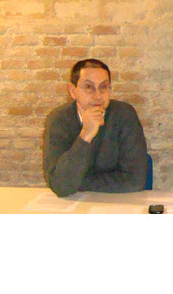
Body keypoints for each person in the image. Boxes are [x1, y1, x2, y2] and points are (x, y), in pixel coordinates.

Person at [43, 58, 148, 197]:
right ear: (73, 91)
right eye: (88, 87)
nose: (98, 96)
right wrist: (85, 135)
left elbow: (135, 181)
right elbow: (60, 186)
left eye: (104, 87)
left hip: (119, 201)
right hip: (75, 202)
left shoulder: (124, 115)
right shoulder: (59, 119)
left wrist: (78, 182)